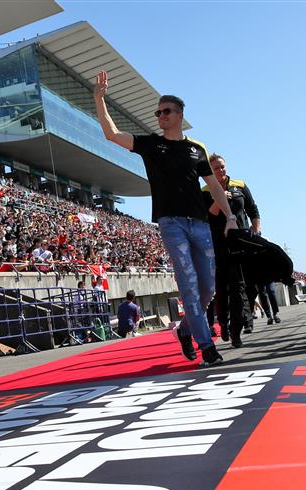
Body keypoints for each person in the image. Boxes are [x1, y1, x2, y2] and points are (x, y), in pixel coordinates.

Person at [94, 72, 237, 365]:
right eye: (158, 112)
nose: (160, 116)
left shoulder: (197, 148)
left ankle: (185, 331)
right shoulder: (150, 144)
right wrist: (99, 97)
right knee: (188, 284)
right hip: (171, 223)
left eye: (166, 111)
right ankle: (206, 346)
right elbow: (111, 133)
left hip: (200, 223)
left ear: (180, 115)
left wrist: (231, 216)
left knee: (208, 286)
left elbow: (214, 186)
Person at [202, 153, 256, 347]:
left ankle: (236, 331)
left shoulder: (240, 185)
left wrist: (256, 229)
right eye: (216, 168)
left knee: (240, 287)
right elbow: (208, 217)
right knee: (222, 289)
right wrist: (219, 198)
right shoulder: (205, 191)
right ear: (210, 171)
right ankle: (223, 322)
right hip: (219, 246)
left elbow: (253, 210)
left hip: (241, 242)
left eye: (222, 167)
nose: (221, 170)